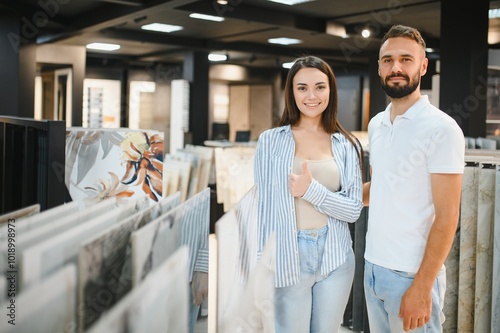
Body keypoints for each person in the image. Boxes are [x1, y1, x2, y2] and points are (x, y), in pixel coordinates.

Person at [362, 25, 465, 332]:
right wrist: (322, 193)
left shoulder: (441, 129)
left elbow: (447, 218)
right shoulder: (377, 124)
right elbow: (380, 190)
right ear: (380, 67)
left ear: (423, 66)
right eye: (388, 60)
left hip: (412, 276)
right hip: (373, 268)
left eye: (406, 59)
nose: (396, 67)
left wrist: (422, 287)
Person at [254, 55, 364, 332]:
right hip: (287, 255)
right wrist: (259, 266)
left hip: (336, 256)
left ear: (331, 91)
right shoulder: (271, 140)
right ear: (291, 92)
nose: (311, 95)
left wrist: (311, 191)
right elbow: (263, 208)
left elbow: (353, 210)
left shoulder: (346, 144)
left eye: (320, 87)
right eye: (302, 87)